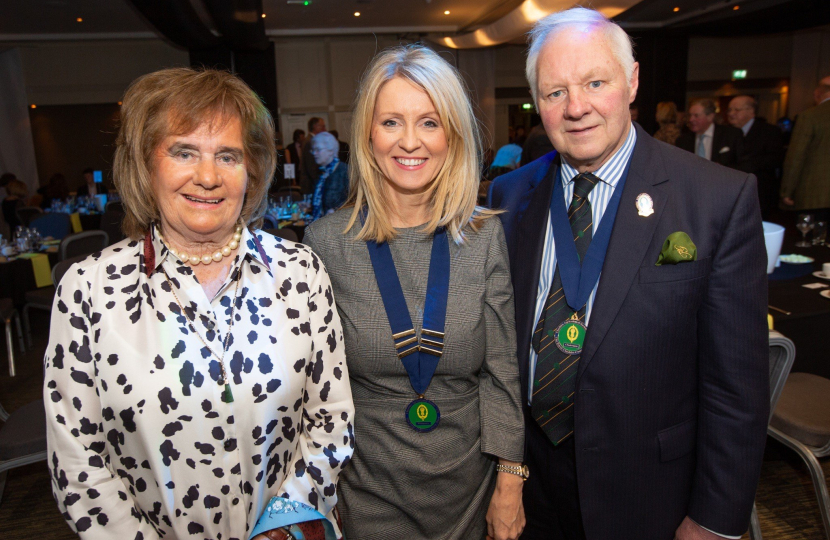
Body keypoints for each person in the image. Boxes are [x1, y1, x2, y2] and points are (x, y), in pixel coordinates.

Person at [489, 7, 768, 540]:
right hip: (534, 487)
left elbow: (737, 388)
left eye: (596, 82)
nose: (577, 108)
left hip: (651, 493)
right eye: (554, 93)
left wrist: (714, 520)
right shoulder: (511, 193)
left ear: (633, 79)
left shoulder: (716, 199)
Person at [43, 67, 355, 540]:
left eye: (227, 155)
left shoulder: (300, 272)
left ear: (251, 170)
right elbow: (78, 463)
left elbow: (331, 418)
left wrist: (284, 525)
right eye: (184, 151)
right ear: (146, 165)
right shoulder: (87, 289)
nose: (207, 176)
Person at [304, 44, 526, 540]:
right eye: (391, 122)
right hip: (366, 492)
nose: (410, 141)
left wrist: (510, 482)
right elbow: (312, 393)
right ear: (367, 133)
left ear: (452, 134)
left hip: (471, 488)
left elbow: (502, 373)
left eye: (429, 122)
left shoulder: (484, 236)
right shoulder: (325, 244)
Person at [780, 75, 830, 220]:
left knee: (811, 239)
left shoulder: (810, 116)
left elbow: (796, 156)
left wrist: (787, 191)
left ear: (817, 94)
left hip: (816, 195)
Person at [728, 95, 784, 219]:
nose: (731, 114)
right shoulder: (726, 132)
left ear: (751, 111)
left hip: (759, 193)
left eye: (736, 110)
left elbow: (775, 159)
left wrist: (746, 166)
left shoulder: (769, 131)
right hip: (731, 193)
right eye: (730, 110)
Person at [677, 98, 742, 167]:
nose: (691, 119)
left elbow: (741, 163)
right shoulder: (683, 140)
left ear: (710, 117)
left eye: (696, 116)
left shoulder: (731, 135)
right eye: (690, 115)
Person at [309, 132, 349, 219]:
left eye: (318, 149)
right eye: (313, 150)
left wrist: (336, 210)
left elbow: (357, 202)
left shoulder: (345, 171)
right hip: (321, 226)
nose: (314, 153)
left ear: (331, 151)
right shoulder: (321, 173)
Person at [300, 116, 326, 193]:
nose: (324, 129)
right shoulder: (310, 142)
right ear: (315, 126)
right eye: (322, 126)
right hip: (311, 185)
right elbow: (311, 167)